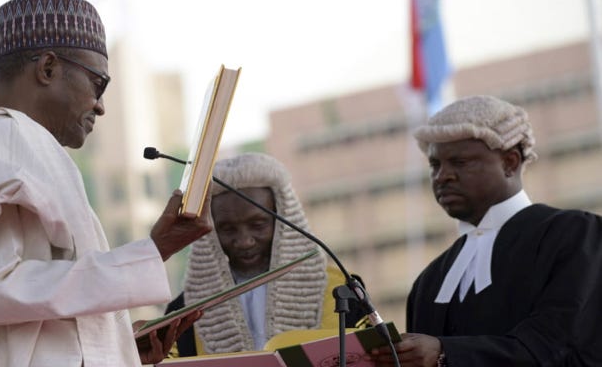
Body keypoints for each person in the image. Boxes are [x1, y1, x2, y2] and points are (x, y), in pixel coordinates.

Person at [0, 0, 213, 367]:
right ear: (47, 68)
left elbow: (9, 323)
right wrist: (154, 250)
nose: (101, 105)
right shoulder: (5, 137)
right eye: (98, 84)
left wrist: (116, 344)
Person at [369, 95, 602, 366]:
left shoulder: (575, 235)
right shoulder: (430, 280)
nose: (442, 176)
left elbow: (562, 346)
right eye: (435, 165)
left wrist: (445, 353)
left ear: (510, 162)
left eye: (460, 162)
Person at [165, 152, 366, 356]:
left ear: (282, 221)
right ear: (210, 232)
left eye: (258, 225)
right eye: (227, 229)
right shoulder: (182, 314)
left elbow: (376, 354)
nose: (244, 241)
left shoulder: (341, 290)